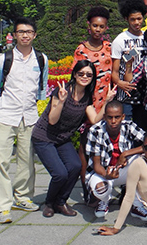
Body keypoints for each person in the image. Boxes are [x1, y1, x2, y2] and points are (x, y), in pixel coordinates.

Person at [32, 60, 117, 218]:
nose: (85, 77)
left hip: (62, 139)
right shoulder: (62, 91)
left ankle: (61, 201)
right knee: (60, 174)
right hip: (44, 137)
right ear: (75, 74)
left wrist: (106, 102)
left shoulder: (86, 97)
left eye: (89, 75)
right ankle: (49, 203)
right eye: (81, 73)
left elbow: (94, 119)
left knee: (76, 166)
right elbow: (52, 120)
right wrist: (61, 101)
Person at [0, 17, 48, 224]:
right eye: (21, 31)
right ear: (14, 35)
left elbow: (42, 86)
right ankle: (2, 207)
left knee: (26, 160)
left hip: (29, 117)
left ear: (34, 35)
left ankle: (22, 197)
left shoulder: (41, 59)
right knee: (1, 161)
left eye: (29, 32)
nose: (25, 35)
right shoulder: (3, 59)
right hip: (6, 116)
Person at [74, 6, 113, 201]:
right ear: (89, 26)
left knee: (104, 148)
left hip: (106, 103)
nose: (98, 29)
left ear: (106, 28)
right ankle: (87, 191)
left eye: (101, 26)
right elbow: (76, 76)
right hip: (87, 105)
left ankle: (102, 189)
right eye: (95, 25)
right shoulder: (81, 50)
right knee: (85, 148)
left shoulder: (110, 48)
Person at [85, 100, 147, 218]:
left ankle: (136, 204)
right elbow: (96, 164)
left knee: (143, 160)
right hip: (102, 171)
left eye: (117, 117)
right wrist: (106, 175)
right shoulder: (95, 131)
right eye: (110, 117)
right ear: (104, 117)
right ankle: (104, 200)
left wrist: (126, 154)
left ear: (123, 117)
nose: (113, 121)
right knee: (100, 189)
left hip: (123, 169)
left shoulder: (129, 126)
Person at [111, 0, 147, 123]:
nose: (136, 22)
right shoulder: (120, 40)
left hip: (145, 94)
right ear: (126, 19)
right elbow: (115, 71)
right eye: (133, 19)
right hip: (126, 94)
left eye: (139, 18)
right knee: (125, 125)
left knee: (143, 127)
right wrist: (119, 83)